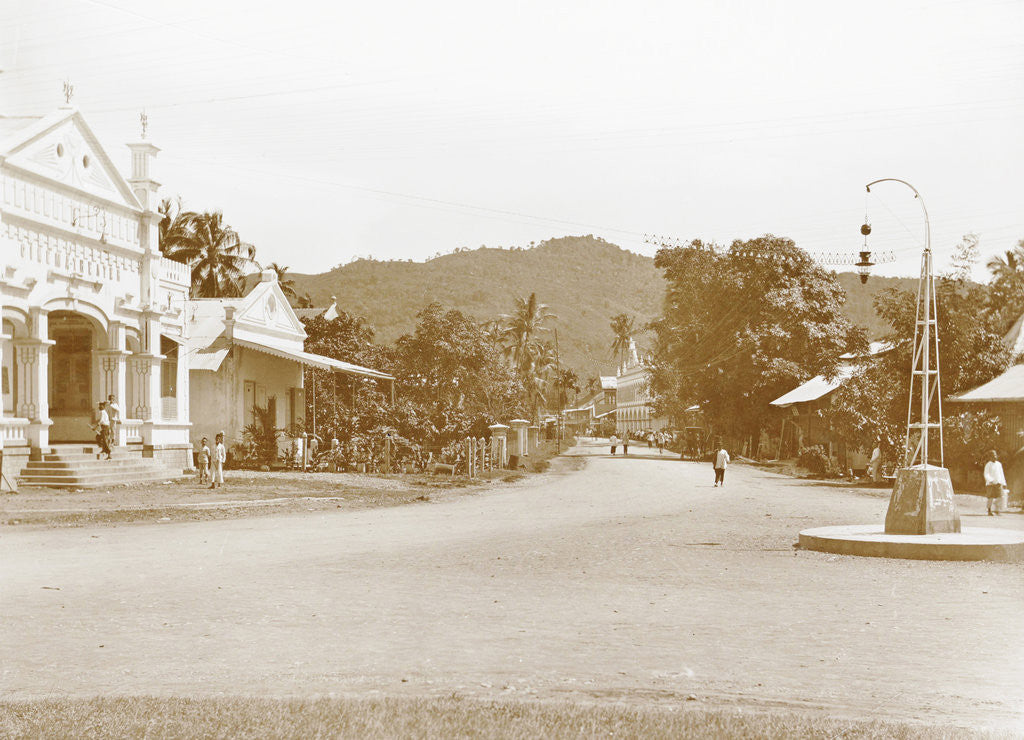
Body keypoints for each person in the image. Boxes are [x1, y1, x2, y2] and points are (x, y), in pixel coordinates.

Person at [983, 449, 1006, 516]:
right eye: (993, 456)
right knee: (990, 497)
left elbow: (1001, 474)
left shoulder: (999, 464)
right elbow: (986, 474)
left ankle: (997, 509)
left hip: (998, 483)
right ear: (990, 457)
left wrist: (1004, 483)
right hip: (991, 484)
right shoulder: (988, 465)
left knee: (1001, 496)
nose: (995, 457)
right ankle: (989, 510)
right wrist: (991, 480)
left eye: (995, 455)